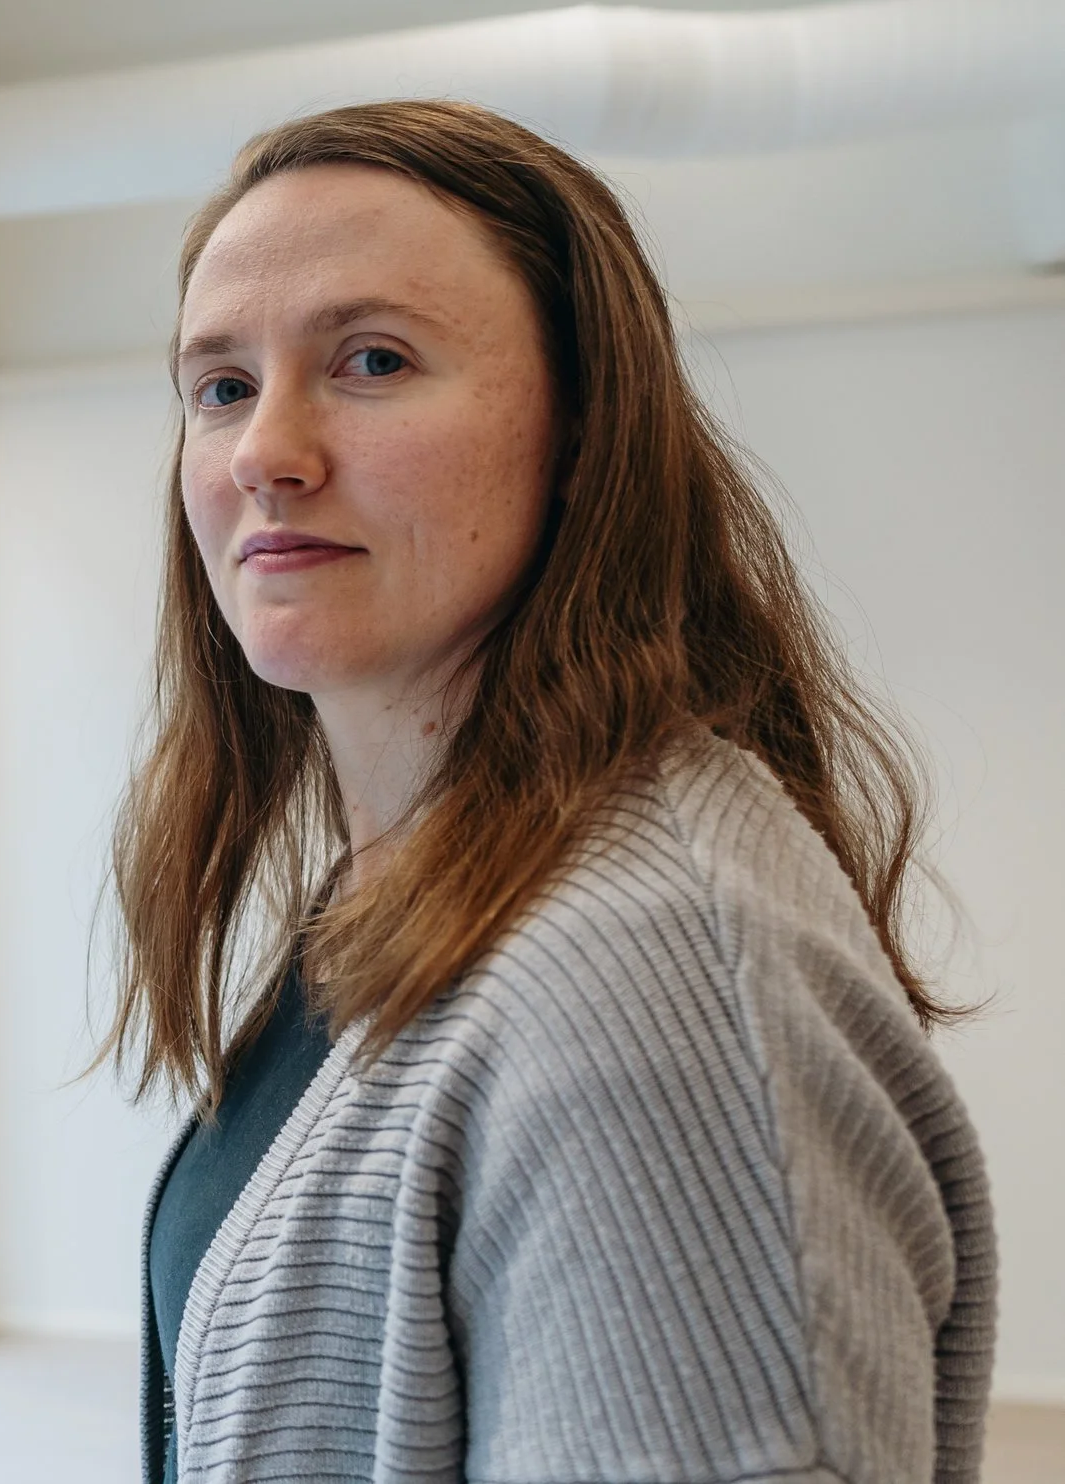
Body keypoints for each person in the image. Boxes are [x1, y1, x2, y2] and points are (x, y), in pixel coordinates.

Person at [110, 101, 993, 1484]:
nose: (264, 452)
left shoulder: (653, 992)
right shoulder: (414, 866)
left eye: (373, 360)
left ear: (585, 431)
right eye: (220, 386)